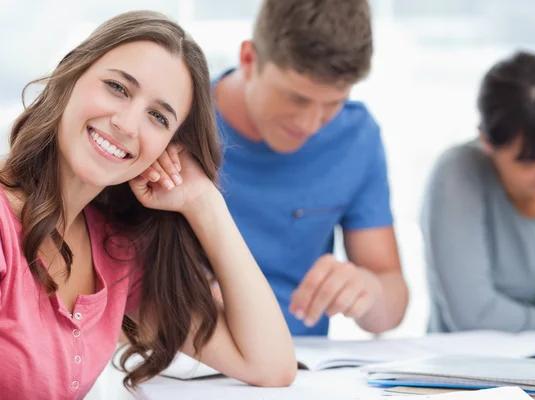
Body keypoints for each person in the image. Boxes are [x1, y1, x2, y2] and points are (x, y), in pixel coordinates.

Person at [0, 10, 296, 399]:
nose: (127, 124)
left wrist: (204, 203)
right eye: (118, 88)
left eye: (158, 116)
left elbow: (270, 364)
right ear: (71, 74)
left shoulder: (115, 251)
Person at [212, 0, 409, 336]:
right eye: (296, 98)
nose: (311, 124)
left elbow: (392, 301)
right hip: (189, 360)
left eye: (333, 103)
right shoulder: (174, 118)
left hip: (303, 373)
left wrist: (367, 290)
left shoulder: (356, 137)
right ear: (248, 60)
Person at [421, 50, 535, 333]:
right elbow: (474, 316)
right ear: (487, 143)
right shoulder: (457, 174)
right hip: (466, 369)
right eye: (529, 160)